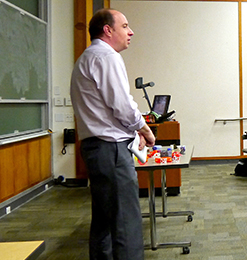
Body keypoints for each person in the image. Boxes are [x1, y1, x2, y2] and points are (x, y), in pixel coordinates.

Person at [70, 8, 155, 260]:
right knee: (125, 222)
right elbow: (122, 105)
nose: (131, 31)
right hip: (111, 150)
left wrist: (132, 130)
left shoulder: (87, 57)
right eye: (125, 26)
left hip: (97, 148)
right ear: (108, 30)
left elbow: (108, 110)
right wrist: (144, 128)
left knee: (104, 220)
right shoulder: (106, 57)